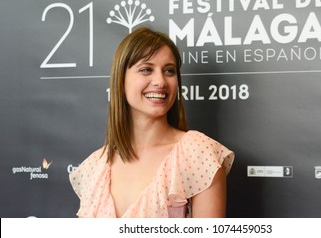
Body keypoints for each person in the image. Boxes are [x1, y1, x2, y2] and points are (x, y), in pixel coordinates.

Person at [69, 27, 234, 218]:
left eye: (169, 71)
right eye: (146, 69)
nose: (160, 81)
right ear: (120, 80)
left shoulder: (198, 153)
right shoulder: (93, 167)